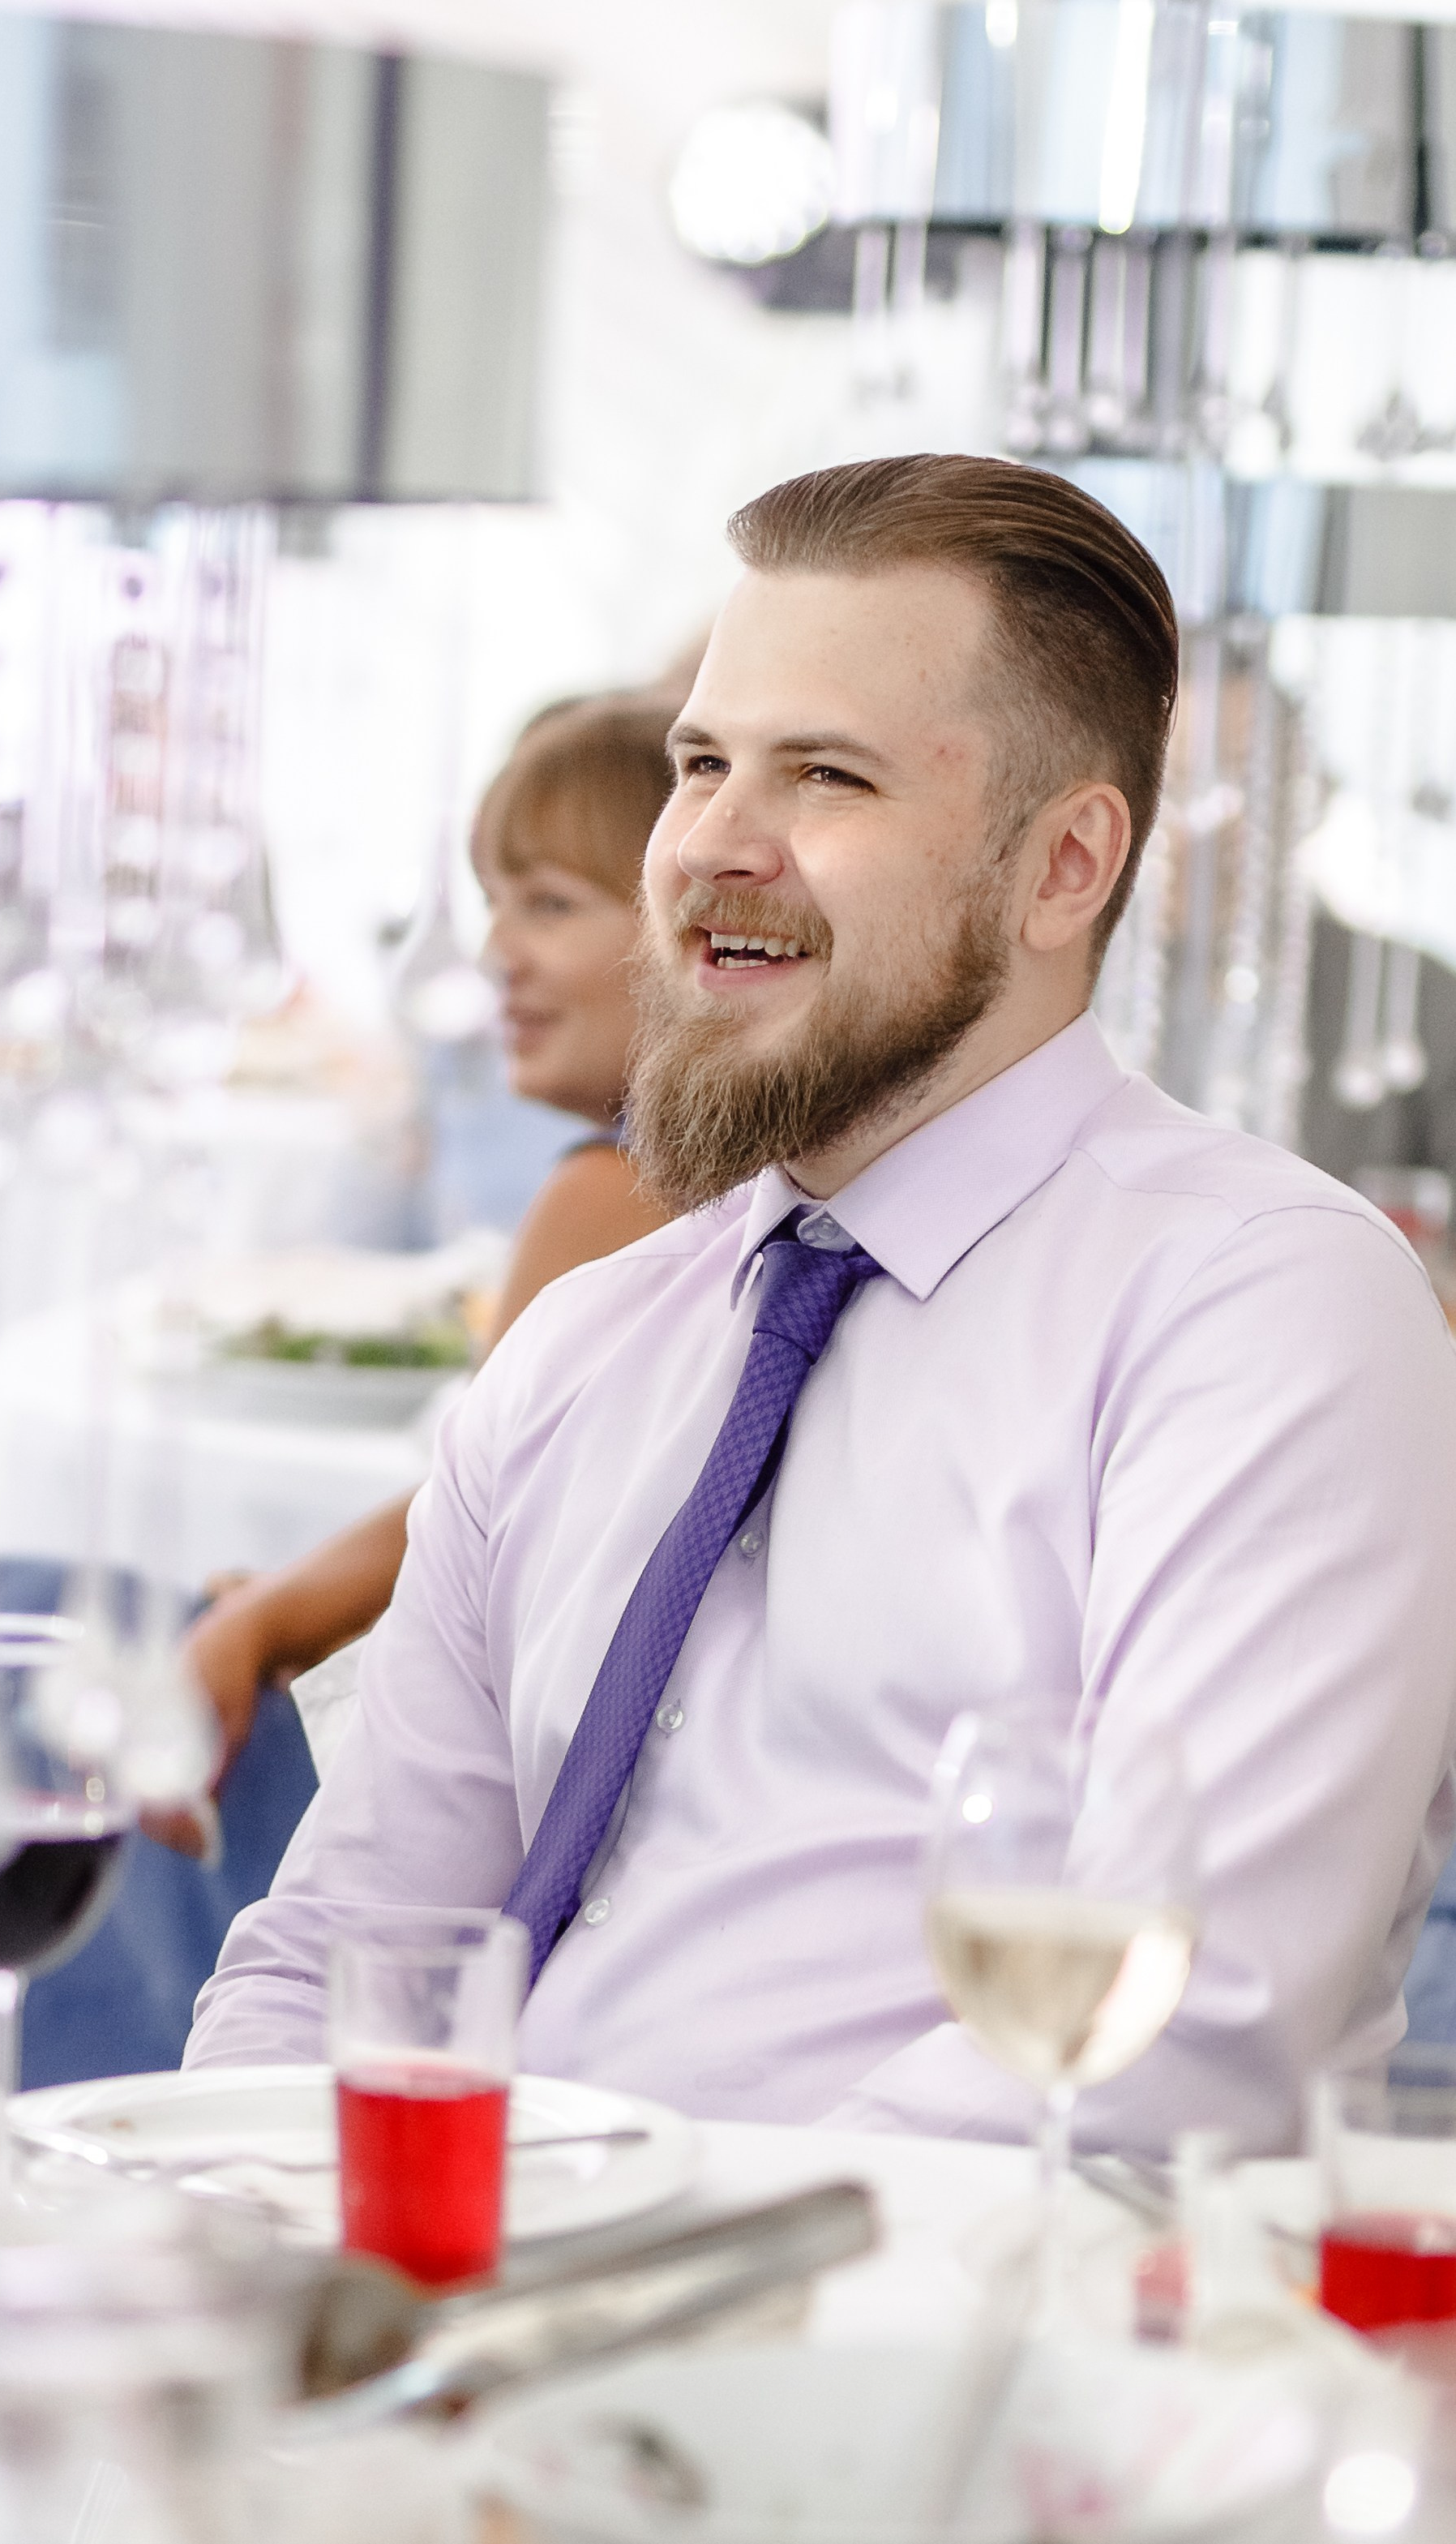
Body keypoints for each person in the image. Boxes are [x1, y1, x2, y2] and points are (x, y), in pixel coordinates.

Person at [184, 454, 1456, 2156]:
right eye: (699, 763)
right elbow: (334, 1956)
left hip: (958, 2356)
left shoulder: (1257, 1309)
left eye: (824, 777)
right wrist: (242, 2240)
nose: (711, 842)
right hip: (469, 2330)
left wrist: (617, 2274)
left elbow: (1188, 2025)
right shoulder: (590, 1341)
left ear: (1061, 868)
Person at [176, 692, 674, 1795]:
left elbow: (461, 1529)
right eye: (494, 904)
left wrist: (268, 1615)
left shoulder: (615, 1192)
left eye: (548, 903)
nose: (495, 954)